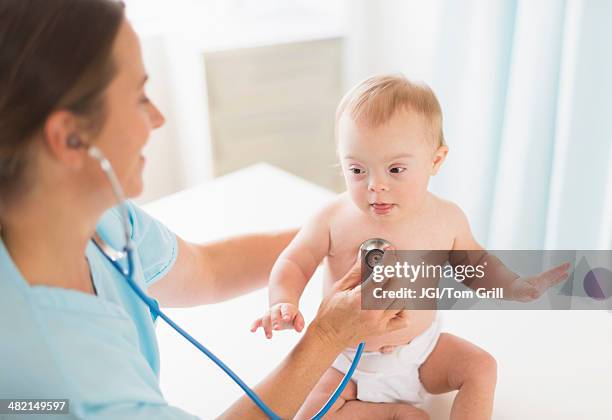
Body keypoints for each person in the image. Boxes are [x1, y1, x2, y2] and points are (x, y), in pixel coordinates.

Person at [0, 1, 409, 419]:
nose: (157, 118)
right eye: (140, 97)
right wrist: (326, 335)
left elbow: (208, 269)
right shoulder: (62, 383)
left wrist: (329, 236)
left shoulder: (93, 217)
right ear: (69, 139)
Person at [252, 75, 571, 419]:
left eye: (395, 169)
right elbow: (295, 262)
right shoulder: (333, 217)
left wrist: (514, 285)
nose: (376, 186)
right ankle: (390, 414)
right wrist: (283, 301)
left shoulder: (445, 218)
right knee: (308, 413)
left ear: (435, 161)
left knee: (481, 367)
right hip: (344, 364)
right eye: (357, 169)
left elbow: (476, 267)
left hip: (421, 353)